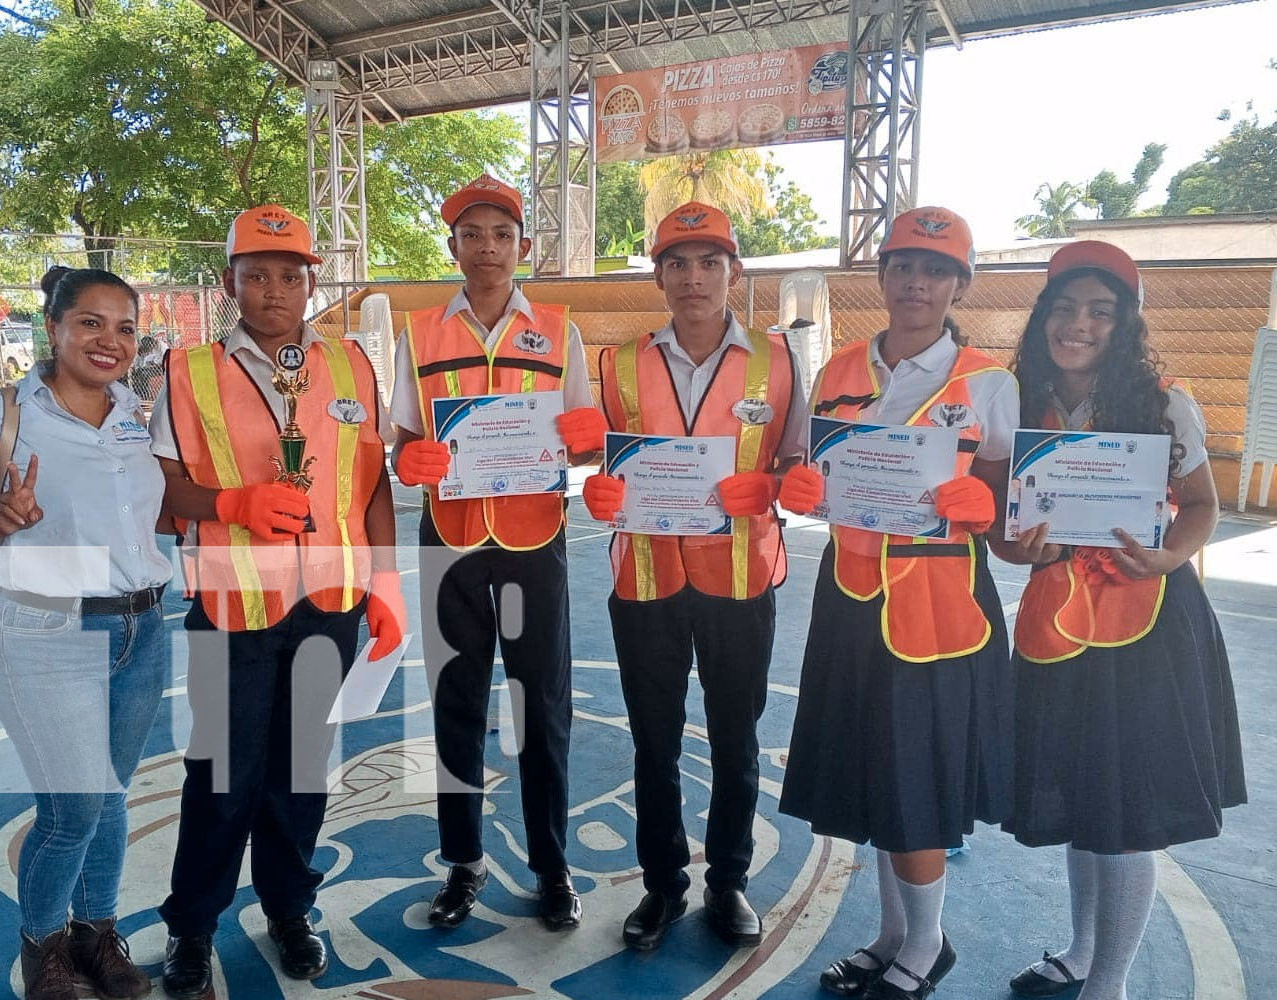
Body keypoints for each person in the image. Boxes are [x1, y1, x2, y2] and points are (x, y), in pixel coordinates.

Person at [151, 204, 403, 995]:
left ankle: (290, 908)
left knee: (301, 772)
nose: (272, 290)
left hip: (330, 601)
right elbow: (159, 489)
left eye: (288, 275)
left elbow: (372, 481)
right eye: (254, 275)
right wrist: (232, 504)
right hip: (233, 604)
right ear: (230, 282)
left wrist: (387, 580)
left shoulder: (353, 367)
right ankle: (192, 926)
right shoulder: (186, 371)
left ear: (310, 284)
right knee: (223, 775)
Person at [775, 207, 1019, 1000]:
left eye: (937, 269)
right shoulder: (839, 369)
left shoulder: (989, 380)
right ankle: (890, 936)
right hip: (849, 600)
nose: (917, 282)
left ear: (959, 284)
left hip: (939, 613)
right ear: (880, 276)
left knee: (915, 785)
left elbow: (1017, 502)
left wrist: (986, 505)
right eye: (903, 266)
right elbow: (819, 476)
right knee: (876, 777)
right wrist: (800, 492)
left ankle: (927, 947)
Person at [0, 267, 172, 1000]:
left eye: (125, 327)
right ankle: (45, 947)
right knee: (74, 807)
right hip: (47, 627)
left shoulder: (132, 412)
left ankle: (98, 936)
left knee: (113, 794)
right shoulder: (1, 413)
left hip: (141, 627)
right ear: (53, 326)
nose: (109, 341)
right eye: (90, 322)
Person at [1000, 241, 1245, 1000]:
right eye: (1065, 307)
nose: (1079, 324)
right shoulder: (1018, 400)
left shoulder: (1164, 400)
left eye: (1100, 311)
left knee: (1126, 810)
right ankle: (1079, 953)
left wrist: (1171, 557)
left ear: (1125, 322)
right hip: (1056, 627)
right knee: (1082, 798)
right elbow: (1005, 535)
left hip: (1147, 630)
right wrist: (1018, 548)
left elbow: (1201, 506)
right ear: (1043, 316)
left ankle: (1111, 984)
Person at [578, 203, 807, 951]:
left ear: (735, 273)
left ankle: (729, 883)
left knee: (736, 739)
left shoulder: (777, 362)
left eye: (710, 261)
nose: (694, 277)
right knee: (654, 741)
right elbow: (596, 457)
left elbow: (799, 462)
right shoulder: (617, 364)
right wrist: (597, 487)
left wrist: (773, 485)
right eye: (678, 262)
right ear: (659, 277)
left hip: (740, 577)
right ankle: (663, 886)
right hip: (644, 578)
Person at [388, 174, 605, 932]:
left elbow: (584, 430)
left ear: (523, 246)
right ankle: (463, 862)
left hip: (533, 536)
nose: (487, 248)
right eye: (472, 234)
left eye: (501, 234)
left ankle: (551, 866)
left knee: (542, 705)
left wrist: (587, 441)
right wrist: (409, 458)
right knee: (456, 700)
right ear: (452, 245)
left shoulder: (559, 327)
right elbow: (406, 435)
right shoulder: (418, 332)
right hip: (448, 538)